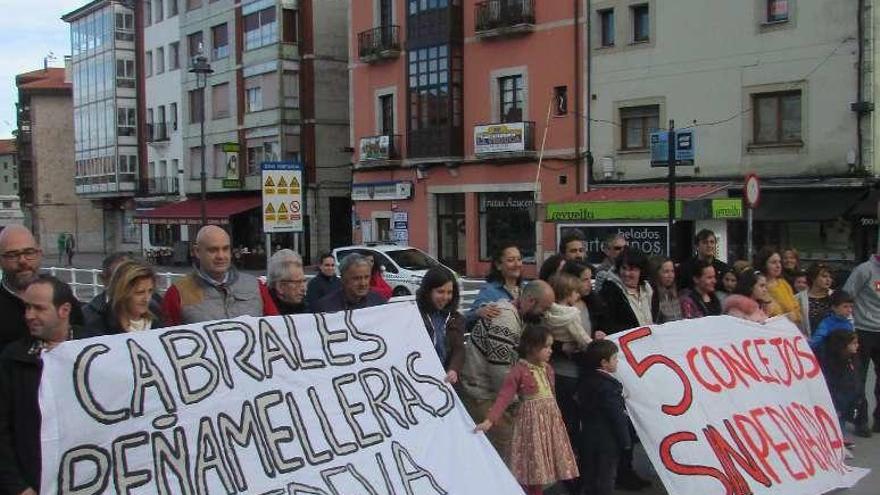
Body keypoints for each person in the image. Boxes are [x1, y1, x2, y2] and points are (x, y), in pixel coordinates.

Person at [0, 275, 101, 495]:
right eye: (27, 307)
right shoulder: (13, 358)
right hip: (35, 483)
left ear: (64, 310)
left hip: (90, 479)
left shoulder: (96, 346)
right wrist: (18, 486)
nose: (29, 316)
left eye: (38, 309)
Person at [474, 325, 579, 495]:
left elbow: (552, 396)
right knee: (533, 466)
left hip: (549, 423)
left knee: (545, 466)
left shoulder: (548, 369)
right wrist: (489, 420)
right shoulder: (519, 371)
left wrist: (557, 419)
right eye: (546, 346)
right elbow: (504, 397)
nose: (550, 351)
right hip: (531, 426)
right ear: (531, 348)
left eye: (551, 346)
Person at [459, 280, 555, 461]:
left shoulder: (514, 313)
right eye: (545, 308)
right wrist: (516, 403)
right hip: (481, 393)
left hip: (486, 390)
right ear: (531, 301)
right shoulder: (506, 320)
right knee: (506, 445)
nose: (546, 314)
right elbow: (500, 370)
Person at [162, 225, 278, 325]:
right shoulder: (177, 293)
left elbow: (276, 328)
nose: (221, 256)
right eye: (213, 250)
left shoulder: (256, 286)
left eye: (225, 249)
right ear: (197, 251)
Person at [576, 339, 632, 495]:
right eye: (614, 358)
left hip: (588, 437)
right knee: (606, 478)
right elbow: (617, 417)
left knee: (590, 476)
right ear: (604, 363)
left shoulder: (586, 380)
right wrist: (626, 441)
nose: (617, 362)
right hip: (607, 442)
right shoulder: (608, 387)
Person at [843, 253, 880, 434]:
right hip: (863, 330)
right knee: (860, 377)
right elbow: (847, 294)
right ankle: (861, 420)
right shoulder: (864, 270)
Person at [84, 260, 164, 333]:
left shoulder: (157, 315)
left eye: (150, 291)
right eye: (139, 292)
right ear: (122, 293)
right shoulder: (99, 323)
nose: (147, 298)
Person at [416, 266, 465, 384]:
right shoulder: (414, 315)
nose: (445, 297)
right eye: (440, 292)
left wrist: (453, 369)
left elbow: (459, 349)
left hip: (445, 381)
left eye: (449, 293)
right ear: (428, 291)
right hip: (420, 378)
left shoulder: (456, 318)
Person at [0, 225, 44, 351]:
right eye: (12, 255)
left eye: (29, 252)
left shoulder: (60, 296)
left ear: (39, 254)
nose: (23, 261)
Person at [820, 330, 867, 448]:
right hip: (839, 396)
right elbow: (833, 383)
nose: (857, 345)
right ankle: (838, 442)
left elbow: (857, 377)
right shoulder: (835, 364)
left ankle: (840, 438)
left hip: (851, 395)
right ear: (843, 345)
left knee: (843, 417)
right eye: (853, 343)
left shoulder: (853, 359)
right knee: (838, 418)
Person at [466, 243, 523, 328]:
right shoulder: (489, 291)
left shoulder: (526, 289)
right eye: (511, 260)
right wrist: (479, 312)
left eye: (519, 259)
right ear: (498, 265)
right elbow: (468, 319)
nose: (517, 264)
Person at [599, 247, 654, 335]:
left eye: (631, 269)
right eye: (624, 268)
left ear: (641, 271)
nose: (626, 273)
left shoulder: (647, 289)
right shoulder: (610, 291)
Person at [313, 253, 388, 312]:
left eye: (366, 277)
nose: (363, 283)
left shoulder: (379, 302)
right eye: (356, 278)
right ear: (343, 279)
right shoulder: (325, 307)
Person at [755, 247, 802, 329]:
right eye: (773, 262)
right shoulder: (757, 285)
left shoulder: (783, 283)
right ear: (763, 264)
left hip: (789, 331)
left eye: (779, 262)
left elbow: (796, 307)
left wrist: (795, 315)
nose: (778, 266)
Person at [562, 261, 607, 338]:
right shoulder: (559, 306)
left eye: (590, 278)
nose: (589, 283)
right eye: (585, 280)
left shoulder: (594, 302)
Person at [796, 263, 835, 337]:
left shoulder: (836, 296)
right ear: (813, 278)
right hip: (807, 342)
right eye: (824, 276)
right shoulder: (798, 298)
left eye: (830, 277)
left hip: (832, 342)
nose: (828, 279)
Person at [267, 249, 309, 314]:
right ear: (280, 287)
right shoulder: (263, 313)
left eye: (304, 281)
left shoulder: (309, 309)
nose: (304, 288)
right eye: (298, 282)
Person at [649, 257, 682, 323]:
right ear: (656, 273)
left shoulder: (677, 293)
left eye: (672, 271)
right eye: (666, 272)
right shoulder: (652, 295)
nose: (670, 275)